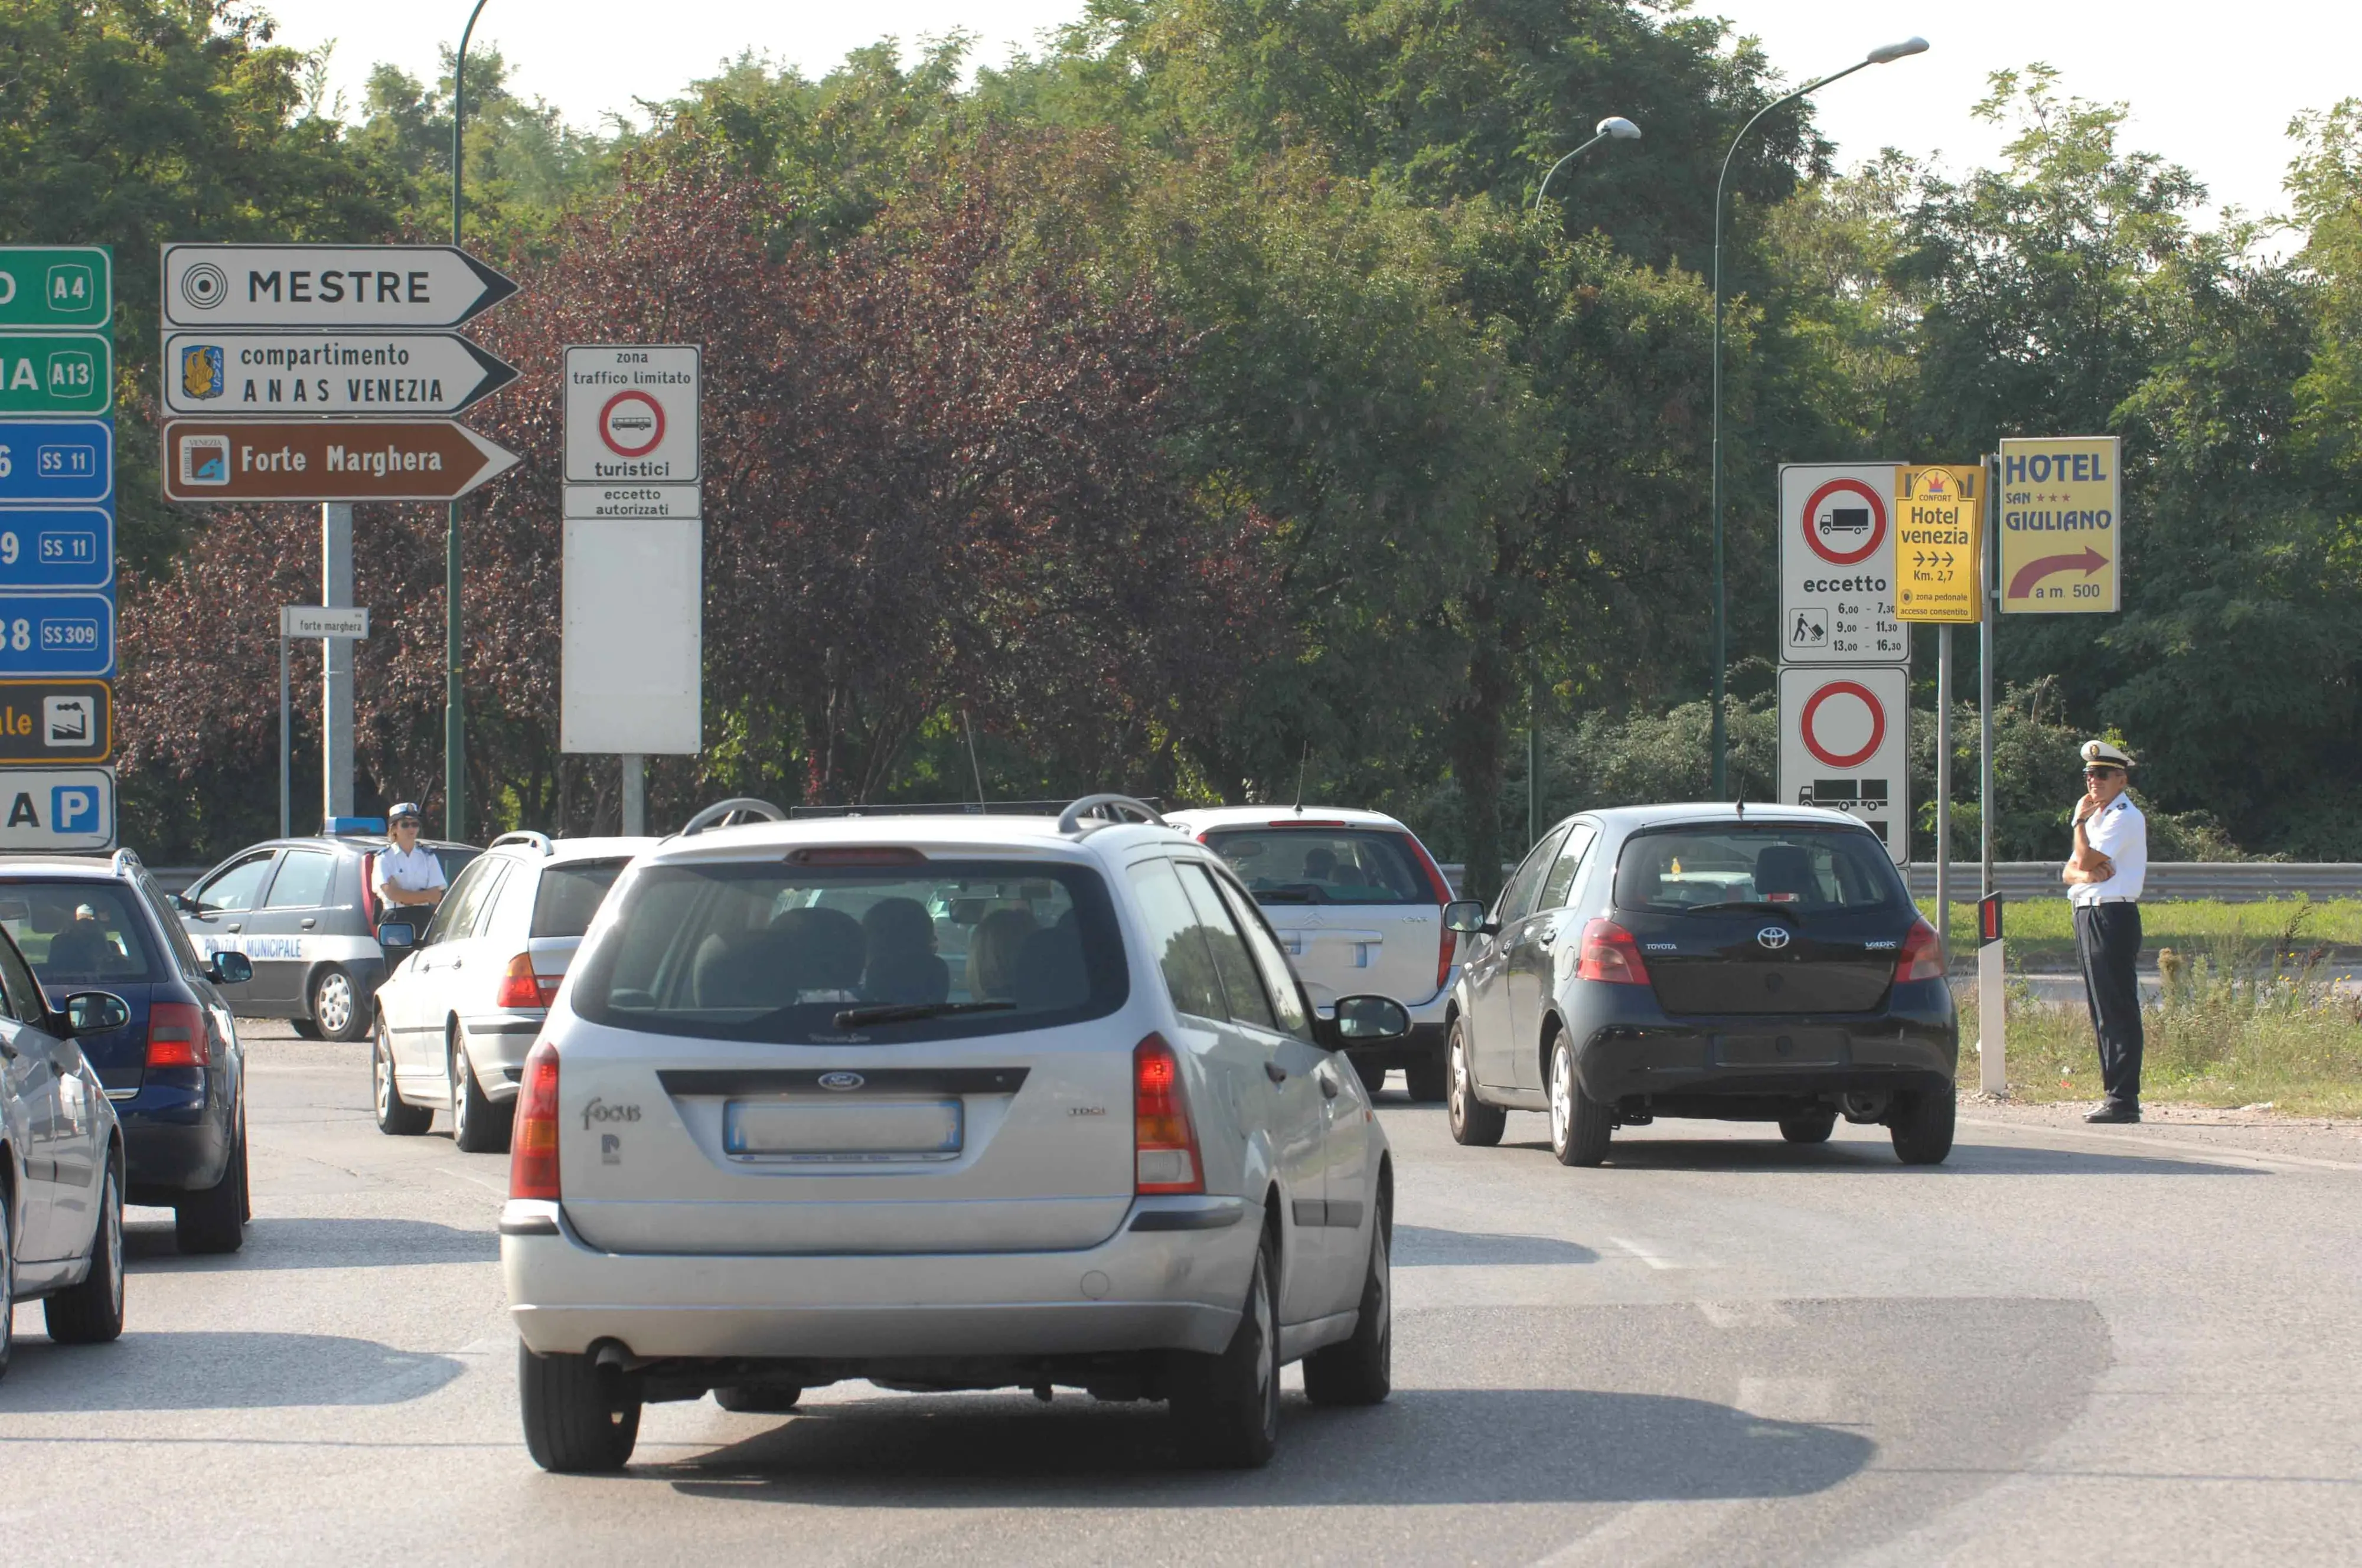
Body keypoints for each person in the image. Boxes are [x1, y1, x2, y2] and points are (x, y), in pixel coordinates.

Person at [2062, 740, 2148, 1123]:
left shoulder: (2123, 817)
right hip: (2087, 912)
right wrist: (2086, 872)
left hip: (2112, 914)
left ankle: (2124, 1098)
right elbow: (2070, 871)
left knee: (2117, 1008)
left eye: (2101, 774)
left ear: (2121, 780)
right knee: (2101, 1009)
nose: (2092, 781)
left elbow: (2083, 858)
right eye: (2089, 775)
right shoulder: (2099, 817)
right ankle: (2113, 1092)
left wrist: (2078, 824)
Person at [373, 802, 448, 917]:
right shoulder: (384, 858)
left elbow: (436, 897)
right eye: (405, 825)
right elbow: (391, 894)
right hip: (395, 917)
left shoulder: (428, 857)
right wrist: (425, 895)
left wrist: (404, 898)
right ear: (394, 829)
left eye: (415, 824)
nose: (411, 829)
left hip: (424, 916)